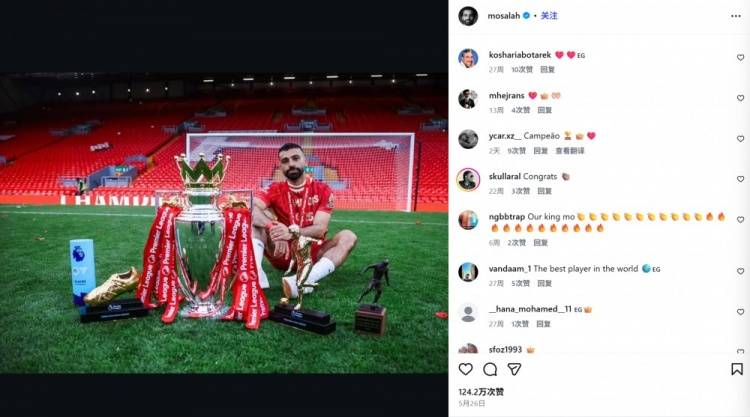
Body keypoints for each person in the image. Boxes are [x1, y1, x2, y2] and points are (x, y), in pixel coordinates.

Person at [251, 143, 358, 300]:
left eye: (295, 158)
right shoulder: (274, 189)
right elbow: (251, 209)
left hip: (311, 254)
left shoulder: (322, 190)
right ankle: (254, 276)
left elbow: (320, 229)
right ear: (280, 166)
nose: (291, 164)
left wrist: (290, 232)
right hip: (281, 252)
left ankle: (306, 279)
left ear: (305, 161)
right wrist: (272, 227)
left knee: (348, 236)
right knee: (254, 224)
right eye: (285, 161)